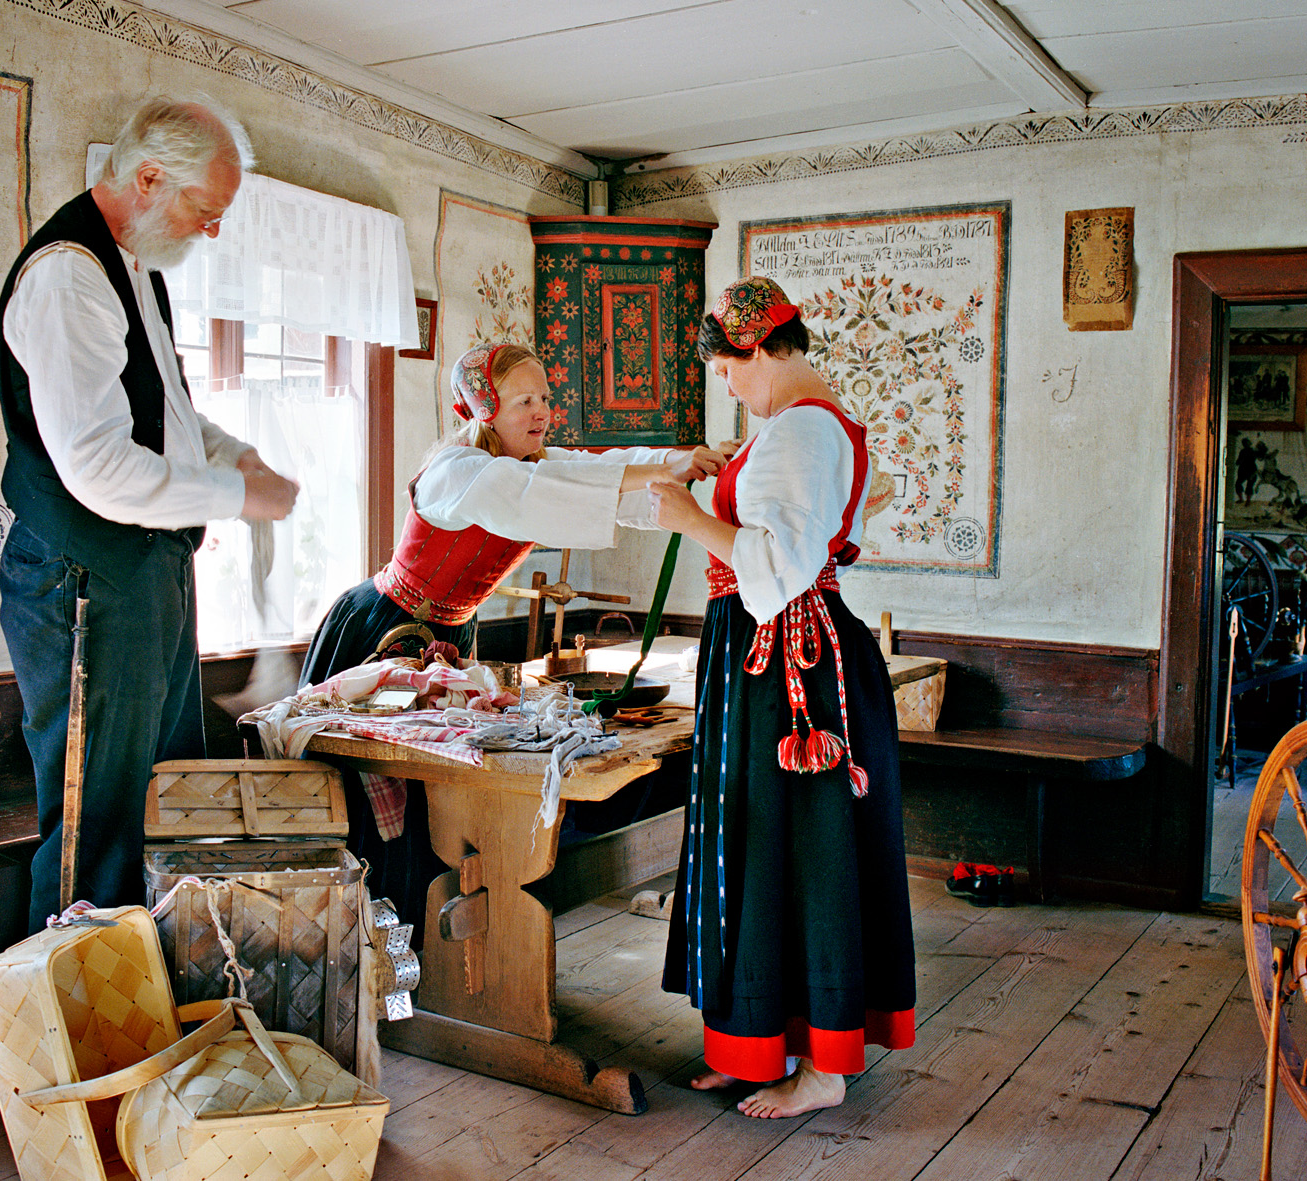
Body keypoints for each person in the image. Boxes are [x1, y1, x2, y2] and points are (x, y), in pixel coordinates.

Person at [0, 96, 300, 931]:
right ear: (151, 177)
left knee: (160, 803)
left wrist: (233, 454)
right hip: (84, 579)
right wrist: (238, 497)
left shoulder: (135, 268)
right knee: (98, 831)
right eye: (206, 209)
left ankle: (150, 997)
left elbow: (162, 414)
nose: (212, 230)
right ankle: (78, 1008)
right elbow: (97, 465)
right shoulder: (68, 275)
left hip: (142, 573)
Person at [298, 340, 727, 930]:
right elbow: (547, 487)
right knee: (378, 790)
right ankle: (369, 934)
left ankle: (437, 933)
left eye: (545, 398)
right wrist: (663, 468)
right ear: (484, 408)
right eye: (524, 400)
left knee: (439, 792)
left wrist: (684, 464)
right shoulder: (459, 470)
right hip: (383, 632)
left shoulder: (529, 464)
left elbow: (588, 471)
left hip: (447, 638)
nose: (542, 411)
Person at [648, 277, 916, 1119]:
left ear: (763, 348)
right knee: (765, 847)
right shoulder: (806, 425)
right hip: (775, 656)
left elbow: (778, 565)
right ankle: (761, 1045)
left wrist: (688, 516)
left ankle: (823, 1069)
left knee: (798, 847)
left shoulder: (802, 427)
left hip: (791, 668)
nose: (729, 385)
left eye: (730, 369)